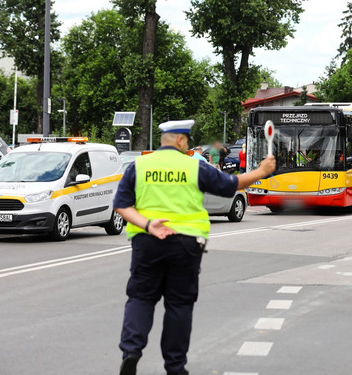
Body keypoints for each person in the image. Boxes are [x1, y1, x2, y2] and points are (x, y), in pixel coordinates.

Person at [113, 120, 275, 375]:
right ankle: (175, 367)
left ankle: (131, 351)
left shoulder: (139, 166)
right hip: (186, 244)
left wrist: (148, 225)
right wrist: (262, 171)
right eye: (187, 141)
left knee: (141, 298)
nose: (188, 146)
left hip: (147, 242)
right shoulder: (194, 166)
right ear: (180, 140)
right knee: (179, 305)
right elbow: (232, 185)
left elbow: (121, 205)